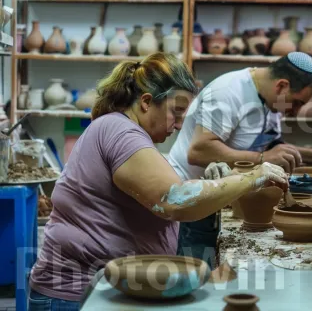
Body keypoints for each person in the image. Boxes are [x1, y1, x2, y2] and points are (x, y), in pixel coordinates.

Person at [28, 53, 288, 310]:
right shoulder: (120, 132)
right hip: (75, 293)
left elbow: (159, 189)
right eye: (176, 112)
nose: (177, 126)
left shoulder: (125, 132)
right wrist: (254, 176)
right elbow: (174, 201)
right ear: (146, 102)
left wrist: (223, 180)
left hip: (108, 286)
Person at [167, 52, 312, 265]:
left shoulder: (271, 101)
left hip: (219, 196)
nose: (296, 110)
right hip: (189, 200)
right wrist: (262, 158)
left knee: (216, 269)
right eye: (297, 102)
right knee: (198, 272)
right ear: (282, 86)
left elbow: (273, 146)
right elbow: (199, 151)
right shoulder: (227, 92)